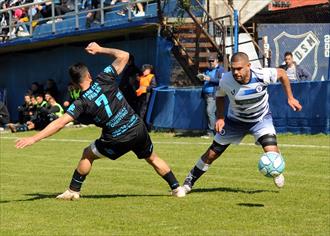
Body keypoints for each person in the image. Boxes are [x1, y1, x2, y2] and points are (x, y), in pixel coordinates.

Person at [15, 42, 186, 200]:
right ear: (89, 74)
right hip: (136, 126)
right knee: (152, 157)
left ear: (74, 84)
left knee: (87, 154)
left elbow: (59, 123)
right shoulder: (104, 78)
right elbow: (124, 55)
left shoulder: (80, 103)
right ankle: (177, 189)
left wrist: (33, 138)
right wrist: (100, 49)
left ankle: (73, 191)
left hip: (117, 137)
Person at [182, 52, 302, 193]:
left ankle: (276, 168)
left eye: (239, 68)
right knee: (212, 154)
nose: (236, 72)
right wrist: (220, 118)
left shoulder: (262, 74)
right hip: (235, 121)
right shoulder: (226, 80)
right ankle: (189, 181)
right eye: (233, 69)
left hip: (260, 119)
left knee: (272, 152)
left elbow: (282, 73)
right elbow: (220, 96)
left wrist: (290, 97)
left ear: (249, 66)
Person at [198, 54, 225, 138]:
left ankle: (211, 132)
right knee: (209, 113)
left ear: (217, 61)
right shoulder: (207, 70)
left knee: (210, 112)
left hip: (214, 95)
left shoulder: (221, 70)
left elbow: (222, 81)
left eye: (212, 61)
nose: (210, 63)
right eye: (209, 61)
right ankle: (214, 131)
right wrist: (201, 78)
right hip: (206, 94)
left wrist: (210, 79)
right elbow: (205, 81)